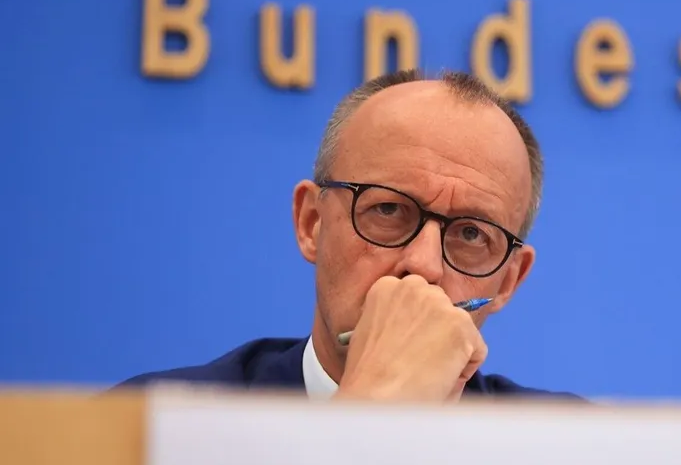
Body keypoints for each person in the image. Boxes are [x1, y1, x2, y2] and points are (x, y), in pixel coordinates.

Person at [118, 69, 577, 402]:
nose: (423, 266)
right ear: (311, 223)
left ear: (509, 281)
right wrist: (373, 409)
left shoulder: (573, 454)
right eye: (388, 209)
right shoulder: (152, 426)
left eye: (472, 234)